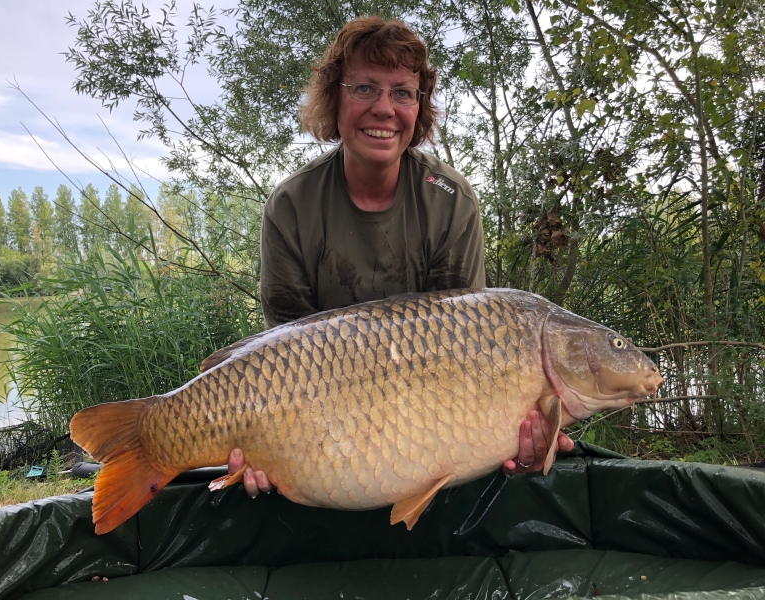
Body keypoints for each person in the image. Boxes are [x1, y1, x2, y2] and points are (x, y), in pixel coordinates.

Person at [227, 16, 573, 497]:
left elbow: (464, 347)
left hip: (421, 418)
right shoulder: (292, 206)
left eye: (403, 93)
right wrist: (270, 447)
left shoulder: (450, 200)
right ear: (336, 99)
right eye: (365, 88)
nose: (384, 109)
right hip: (321, 420)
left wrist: (509, 434)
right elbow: (287, 356)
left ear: (419, 107)